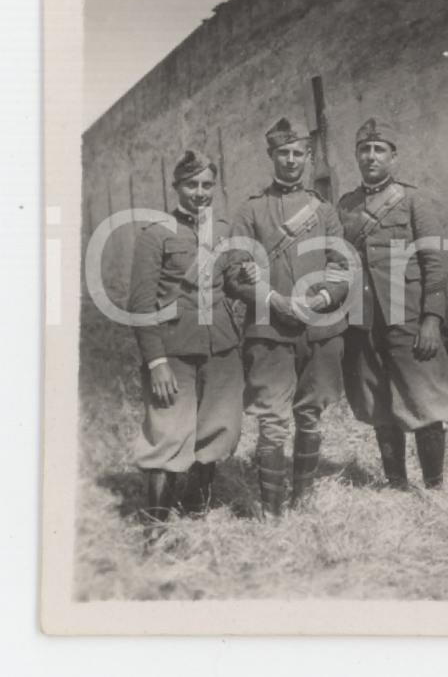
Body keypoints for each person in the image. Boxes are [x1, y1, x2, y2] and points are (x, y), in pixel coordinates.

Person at [225, 117, 349, 517]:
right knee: (272, 418)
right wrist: (276, 302)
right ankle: (272, 509)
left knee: (310, 412)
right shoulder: (251, 210)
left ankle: (304, 496)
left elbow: (340, 264)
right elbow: (233, 275)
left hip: (321, 326)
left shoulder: (324, 210)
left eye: (298, 153)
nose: (291, 160)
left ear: (308, 158)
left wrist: (324, 297)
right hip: (270, 330)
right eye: (283, 153)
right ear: (271, 157)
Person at [337, 118, 448, 491]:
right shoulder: (347, 205)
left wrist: (432, 319)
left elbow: (434, 262)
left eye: (379, 149)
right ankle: (396, 484)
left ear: (394, 156)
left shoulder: (413, 200)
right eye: (364, 149)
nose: (371, 156)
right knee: (378, 403)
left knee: (423, 400)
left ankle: (434, 486)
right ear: (357, 155)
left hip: (407, 317)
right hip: (363, 318)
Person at [128, 149, 243, 533]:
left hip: (222, 347)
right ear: (176, 186)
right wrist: (156, 362)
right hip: (174, 349)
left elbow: (233, 285)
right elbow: (141, 303)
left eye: (207, 184)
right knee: (168, 432)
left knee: (218, 427)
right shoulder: (156, 234)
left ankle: (197, 507)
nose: (200, 192)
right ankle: (156, 526)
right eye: (191, 184)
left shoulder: (224, 232)